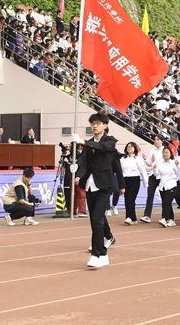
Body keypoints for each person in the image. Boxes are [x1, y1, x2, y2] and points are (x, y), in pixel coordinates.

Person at [73, 111, 125, 268]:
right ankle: (103, 254)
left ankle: (96, 255)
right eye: (92, 123)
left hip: (104, 186)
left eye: (97, 123)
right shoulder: (88, 144)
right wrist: (77, 171)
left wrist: (121, 185)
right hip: (90, 186)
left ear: (105, 126)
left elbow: (102, 148)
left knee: (97, 219)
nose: (94, 126)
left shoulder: (110, 142)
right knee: (96, 220)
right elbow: (83, 162)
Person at [120, 142, 148, 225]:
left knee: (130, 199)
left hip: (135, 180)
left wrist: (146, 183)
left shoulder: (138, 159)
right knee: (127, 199)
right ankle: (133, 218)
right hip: (125, 180)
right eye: (128, 146)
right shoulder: (122, 159)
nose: (129, 148)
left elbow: (143, 171)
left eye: (131, 146)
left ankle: (129, 217)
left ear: (135, 148)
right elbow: (120, 172)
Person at [153, 145, 180, 228]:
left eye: (166, 152)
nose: (165, 154)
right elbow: (157, 174)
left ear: (170, 154)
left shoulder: (173, 162)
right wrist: (155, 169)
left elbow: (178, 173)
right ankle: (171, 220)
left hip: (171, 185)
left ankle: (164, 219)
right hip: (162, 185)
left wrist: (177, 166)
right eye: (164, 153)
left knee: (167, 202)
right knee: (166, 203)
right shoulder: (160, 163)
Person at [140, 135, 164, 223]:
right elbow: (150, 163)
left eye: (158, 140)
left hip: (162, 175)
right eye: (155, 140)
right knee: (150, 195)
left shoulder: (165, 150)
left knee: (164, 196)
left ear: (162, 141)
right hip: (152, 175)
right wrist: (146, 159)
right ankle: (147, 215)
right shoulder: (152, 151)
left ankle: (166, 216)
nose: (156, 141)